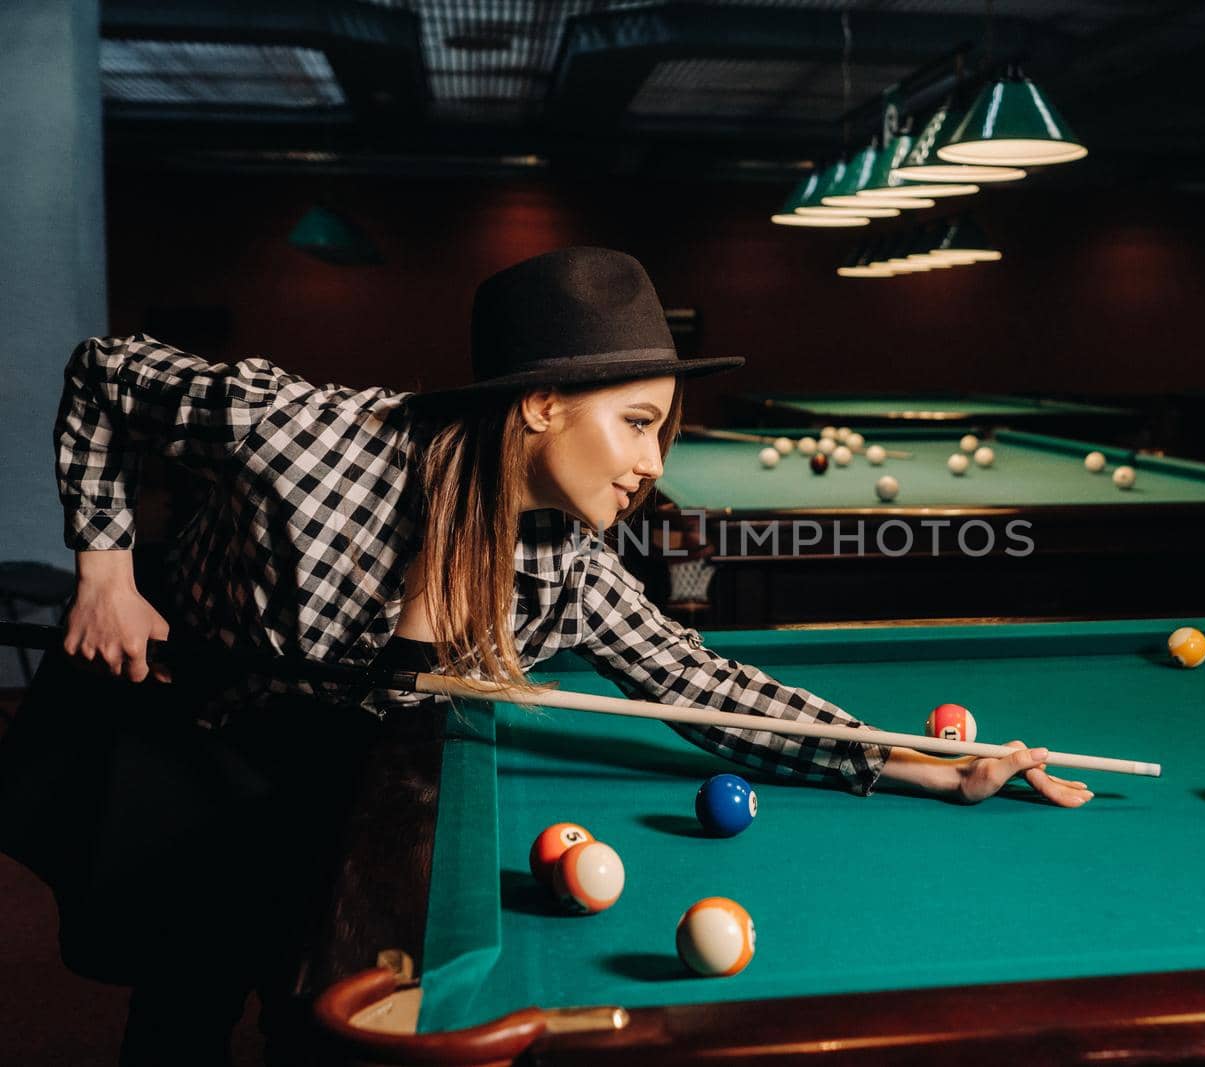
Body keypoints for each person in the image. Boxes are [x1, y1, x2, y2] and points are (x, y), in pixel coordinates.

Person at [19, 247, 1091, 1064]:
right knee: (180, 1001)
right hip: (191, 734)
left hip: (354, 779)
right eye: (636, 423)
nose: (650, 463)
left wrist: (924, 764)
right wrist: (105, 569)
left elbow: (703, 682)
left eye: (663, 432)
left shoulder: (565, 567)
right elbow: (108, 375)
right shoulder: (305, 435)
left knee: (311, 1011)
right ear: (540, 404)